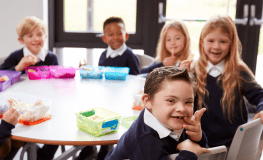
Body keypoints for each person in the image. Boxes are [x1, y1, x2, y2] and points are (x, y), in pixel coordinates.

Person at [180, 14, 263, 149]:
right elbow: (179, 101)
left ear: (231, 43)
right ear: (202, 42)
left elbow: (260, 96)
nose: (216, 47)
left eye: (223, 42)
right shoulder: (192, 70)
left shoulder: (239, 71)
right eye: (211, 41)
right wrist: (180, 78)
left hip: (232, 144)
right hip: (198, 142)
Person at [105, 66, 209, 160]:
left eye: (188, 102)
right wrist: (188, 153)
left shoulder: (171, 119)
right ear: (148, 102)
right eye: (171, 100)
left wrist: (198, 138)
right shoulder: (146, 141)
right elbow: (190, 150)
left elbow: (201, 150)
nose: (182, 109)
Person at [0, 16, 59, 160]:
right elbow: (0, 76)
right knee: (24, 130)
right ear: (21, 40)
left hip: (45, 102)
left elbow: (57, 82)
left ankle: (44, 156)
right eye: (30, 35)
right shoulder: (16, 56)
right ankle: (36, 152)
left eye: (39, 34)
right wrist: (19, 67)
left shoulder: (51, 58)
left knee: (56, 126)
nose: (35, 39)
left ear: (45, 36)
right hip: (23, 104)